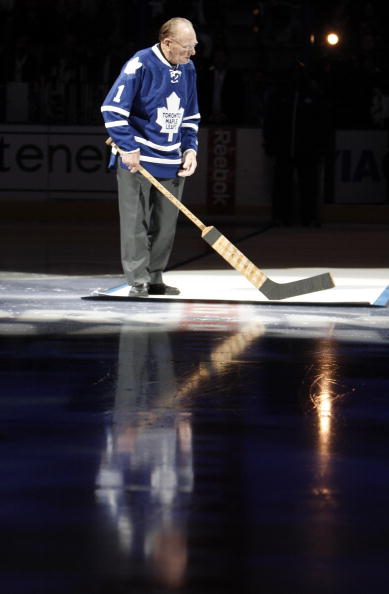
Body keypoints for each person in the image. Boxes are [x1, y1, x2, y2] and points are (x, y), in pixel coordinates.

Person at [101, 17, 200, 297]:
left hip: (172, 158)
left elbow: (191, 115)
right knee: (135, 222)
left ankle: (155, 276)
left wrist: (190, 148)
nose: (193, 52)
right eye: (187, 46)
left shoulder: (188, 68)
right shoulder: (140, 63)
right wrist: (128, 147)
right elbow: (112, 109)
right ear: (167, 43)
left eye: (195, 46)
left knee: (165, 225)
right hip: (139, 157)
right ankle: (138, 279)